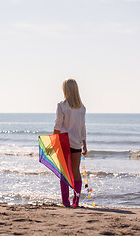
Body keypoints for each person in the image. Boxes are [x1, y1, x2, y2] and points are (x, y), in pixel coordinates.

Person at [53, 78, 87, 207]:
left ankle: (65, 202)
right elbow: (83, 128)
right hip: (77, 143)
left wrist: (54, 141)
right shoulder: (82, 108)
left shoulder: (62, 106)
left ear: (65, 90)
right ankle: (75, 202)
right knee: (76, 171)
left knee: (64, 172)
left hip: (63, 142)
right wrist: (85, 145)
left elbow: (58, 125)